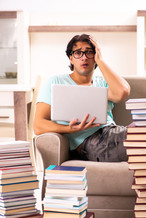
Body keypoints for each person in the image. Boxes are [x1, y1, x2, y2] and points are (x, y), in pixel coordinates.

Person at [33, 34, 131, 162]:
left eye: (89, 53)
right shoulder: (56, 81)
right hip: (90, 142)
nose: (84, 57)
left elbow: (122, 92)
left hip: (113, 132)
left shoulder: (102, 83)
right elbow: (38, 125)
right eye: (78, 53)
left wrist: (100, 61)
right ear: (71, 59)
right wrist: (69, 130)